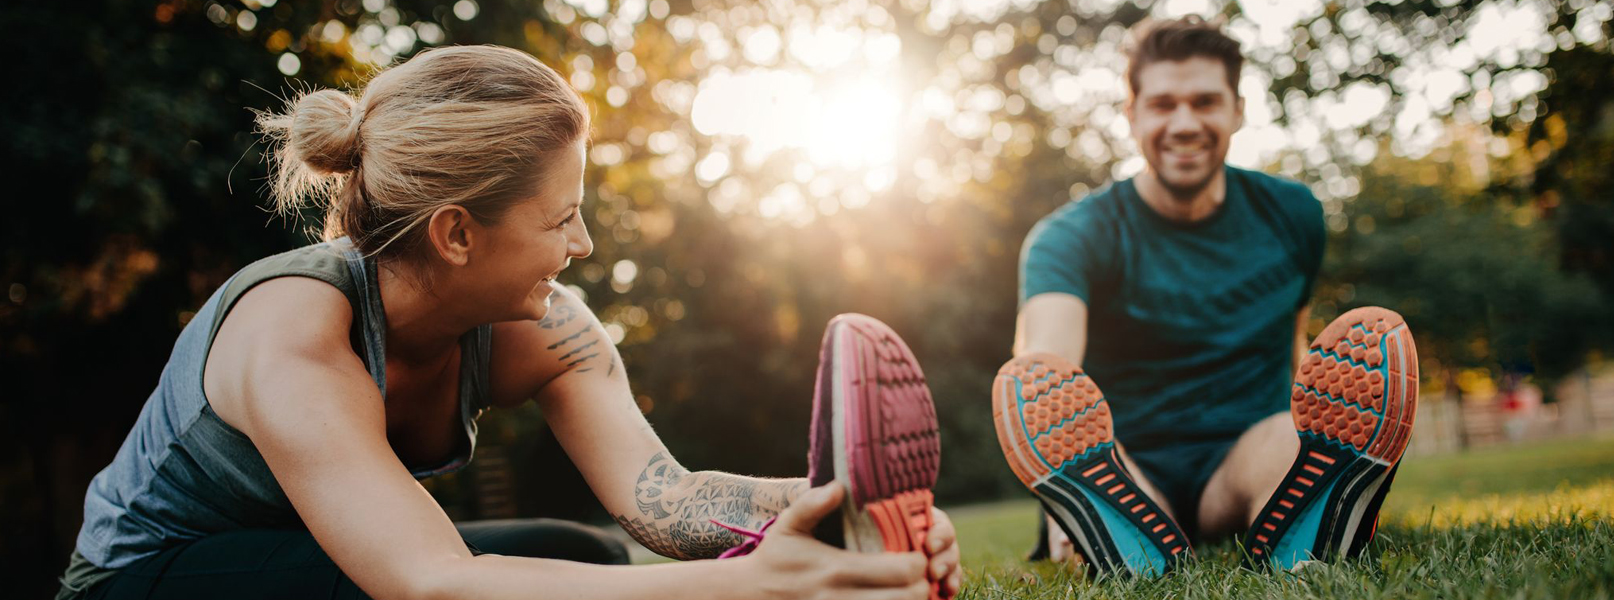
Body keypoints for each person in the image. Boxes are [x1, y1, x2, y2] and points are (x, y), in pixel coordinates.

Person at [59, 45, 961, 600]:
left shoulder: (544, 329)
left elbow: (668, 503)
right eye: (559, 216)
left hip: (323, 571)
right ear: (457, 232)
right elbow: (431, 582)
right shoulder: (295, 328)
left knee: (584, 559)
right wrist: (749, 593)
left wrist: (838, 513)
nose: (585, 240)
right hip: (147, 581)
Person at [990, 16, 1419, 575]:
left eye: (1205, 102)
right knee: (1104, 467)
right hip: (1128, 460)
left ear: (1238, 109)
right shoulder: (1071, 236)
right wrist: (1051, 484)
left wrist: (1316, 418)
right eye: (1164, 104)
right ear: (1132, 115)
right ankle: (1093, 517)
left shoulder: (1293, 215)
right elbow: (1045, 371)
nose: (1185, 123)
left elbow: (1292, 342)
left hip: (1244, 455)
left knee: (1289, 444)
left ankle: (1315, 512)